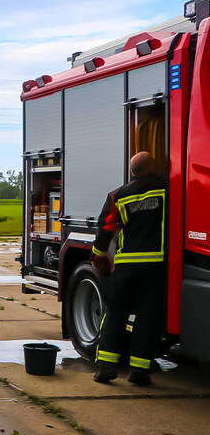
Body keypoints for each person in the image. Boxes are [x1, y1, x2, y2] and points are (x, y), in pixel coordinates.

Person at [92, 151, 166, 386]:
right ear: (153, 168)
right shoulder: (168, 190)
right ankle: (139, 372)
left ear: (132, 171)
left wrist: (99, 255)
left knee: (115, 313)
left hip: (125, 266)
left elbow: (105, 228)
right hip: (156, 265)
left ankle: (106, 368)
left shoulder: (117, 195)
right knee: (147, 318)